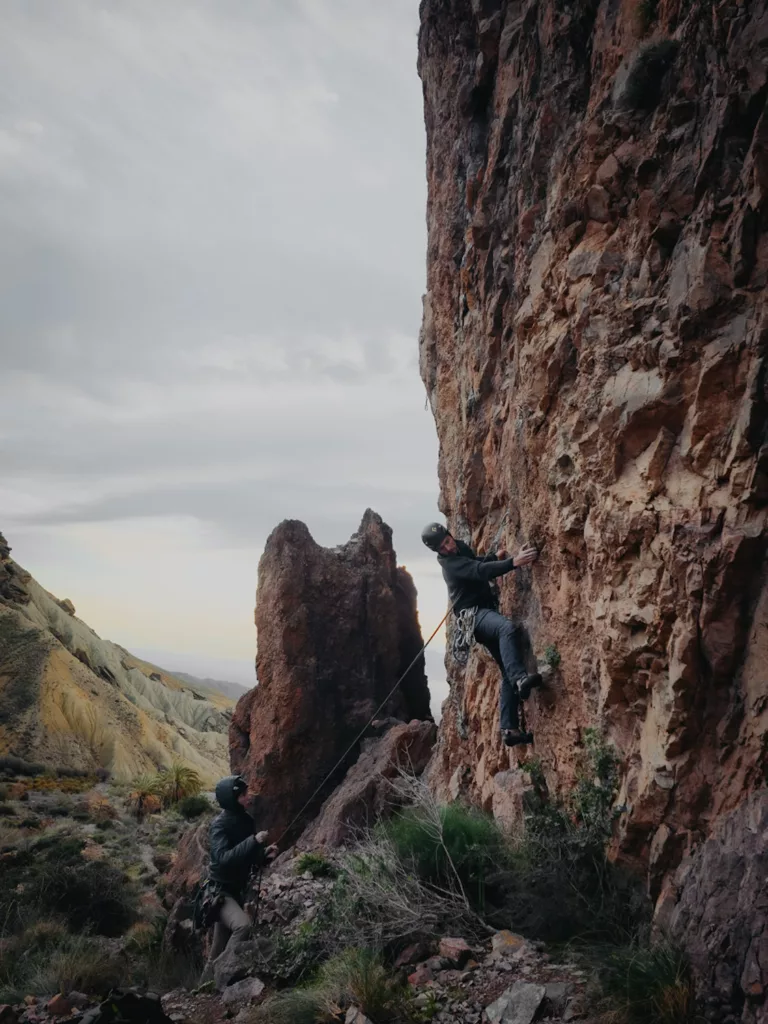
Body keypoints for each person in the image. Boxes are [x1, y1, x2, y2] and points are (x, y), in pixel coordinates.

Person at [422, 522, 541, 748]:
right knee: (506, 628)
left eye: (447, 541)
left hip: (483, 612)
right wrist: (512, 563)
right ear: (437, 552)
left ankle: (510, 729)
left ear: (449, 535)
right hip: (474, 616)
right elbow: (478, 571)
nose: (448, 548)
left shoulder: (460, 548)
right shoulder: (449, 564)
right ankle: (520, 679)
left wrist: (494, 557)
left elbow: (475, 563)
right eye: (442, 548)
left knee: (505, 671)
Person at [205, 774, 277, 963]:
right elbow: (223, 859)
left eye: (247, 793)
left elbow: (248, 857)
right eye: (243, 795)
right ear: (232, 800)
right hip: (221, 893)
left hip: (237, 892)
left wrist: (264, 855)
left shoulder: (246, 820)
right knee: (243, 926)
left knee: (218, 947)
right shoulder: (219, 826)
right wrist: (253, 841)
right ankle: (224, 969)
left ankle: (207, 979)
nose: (249, 797)